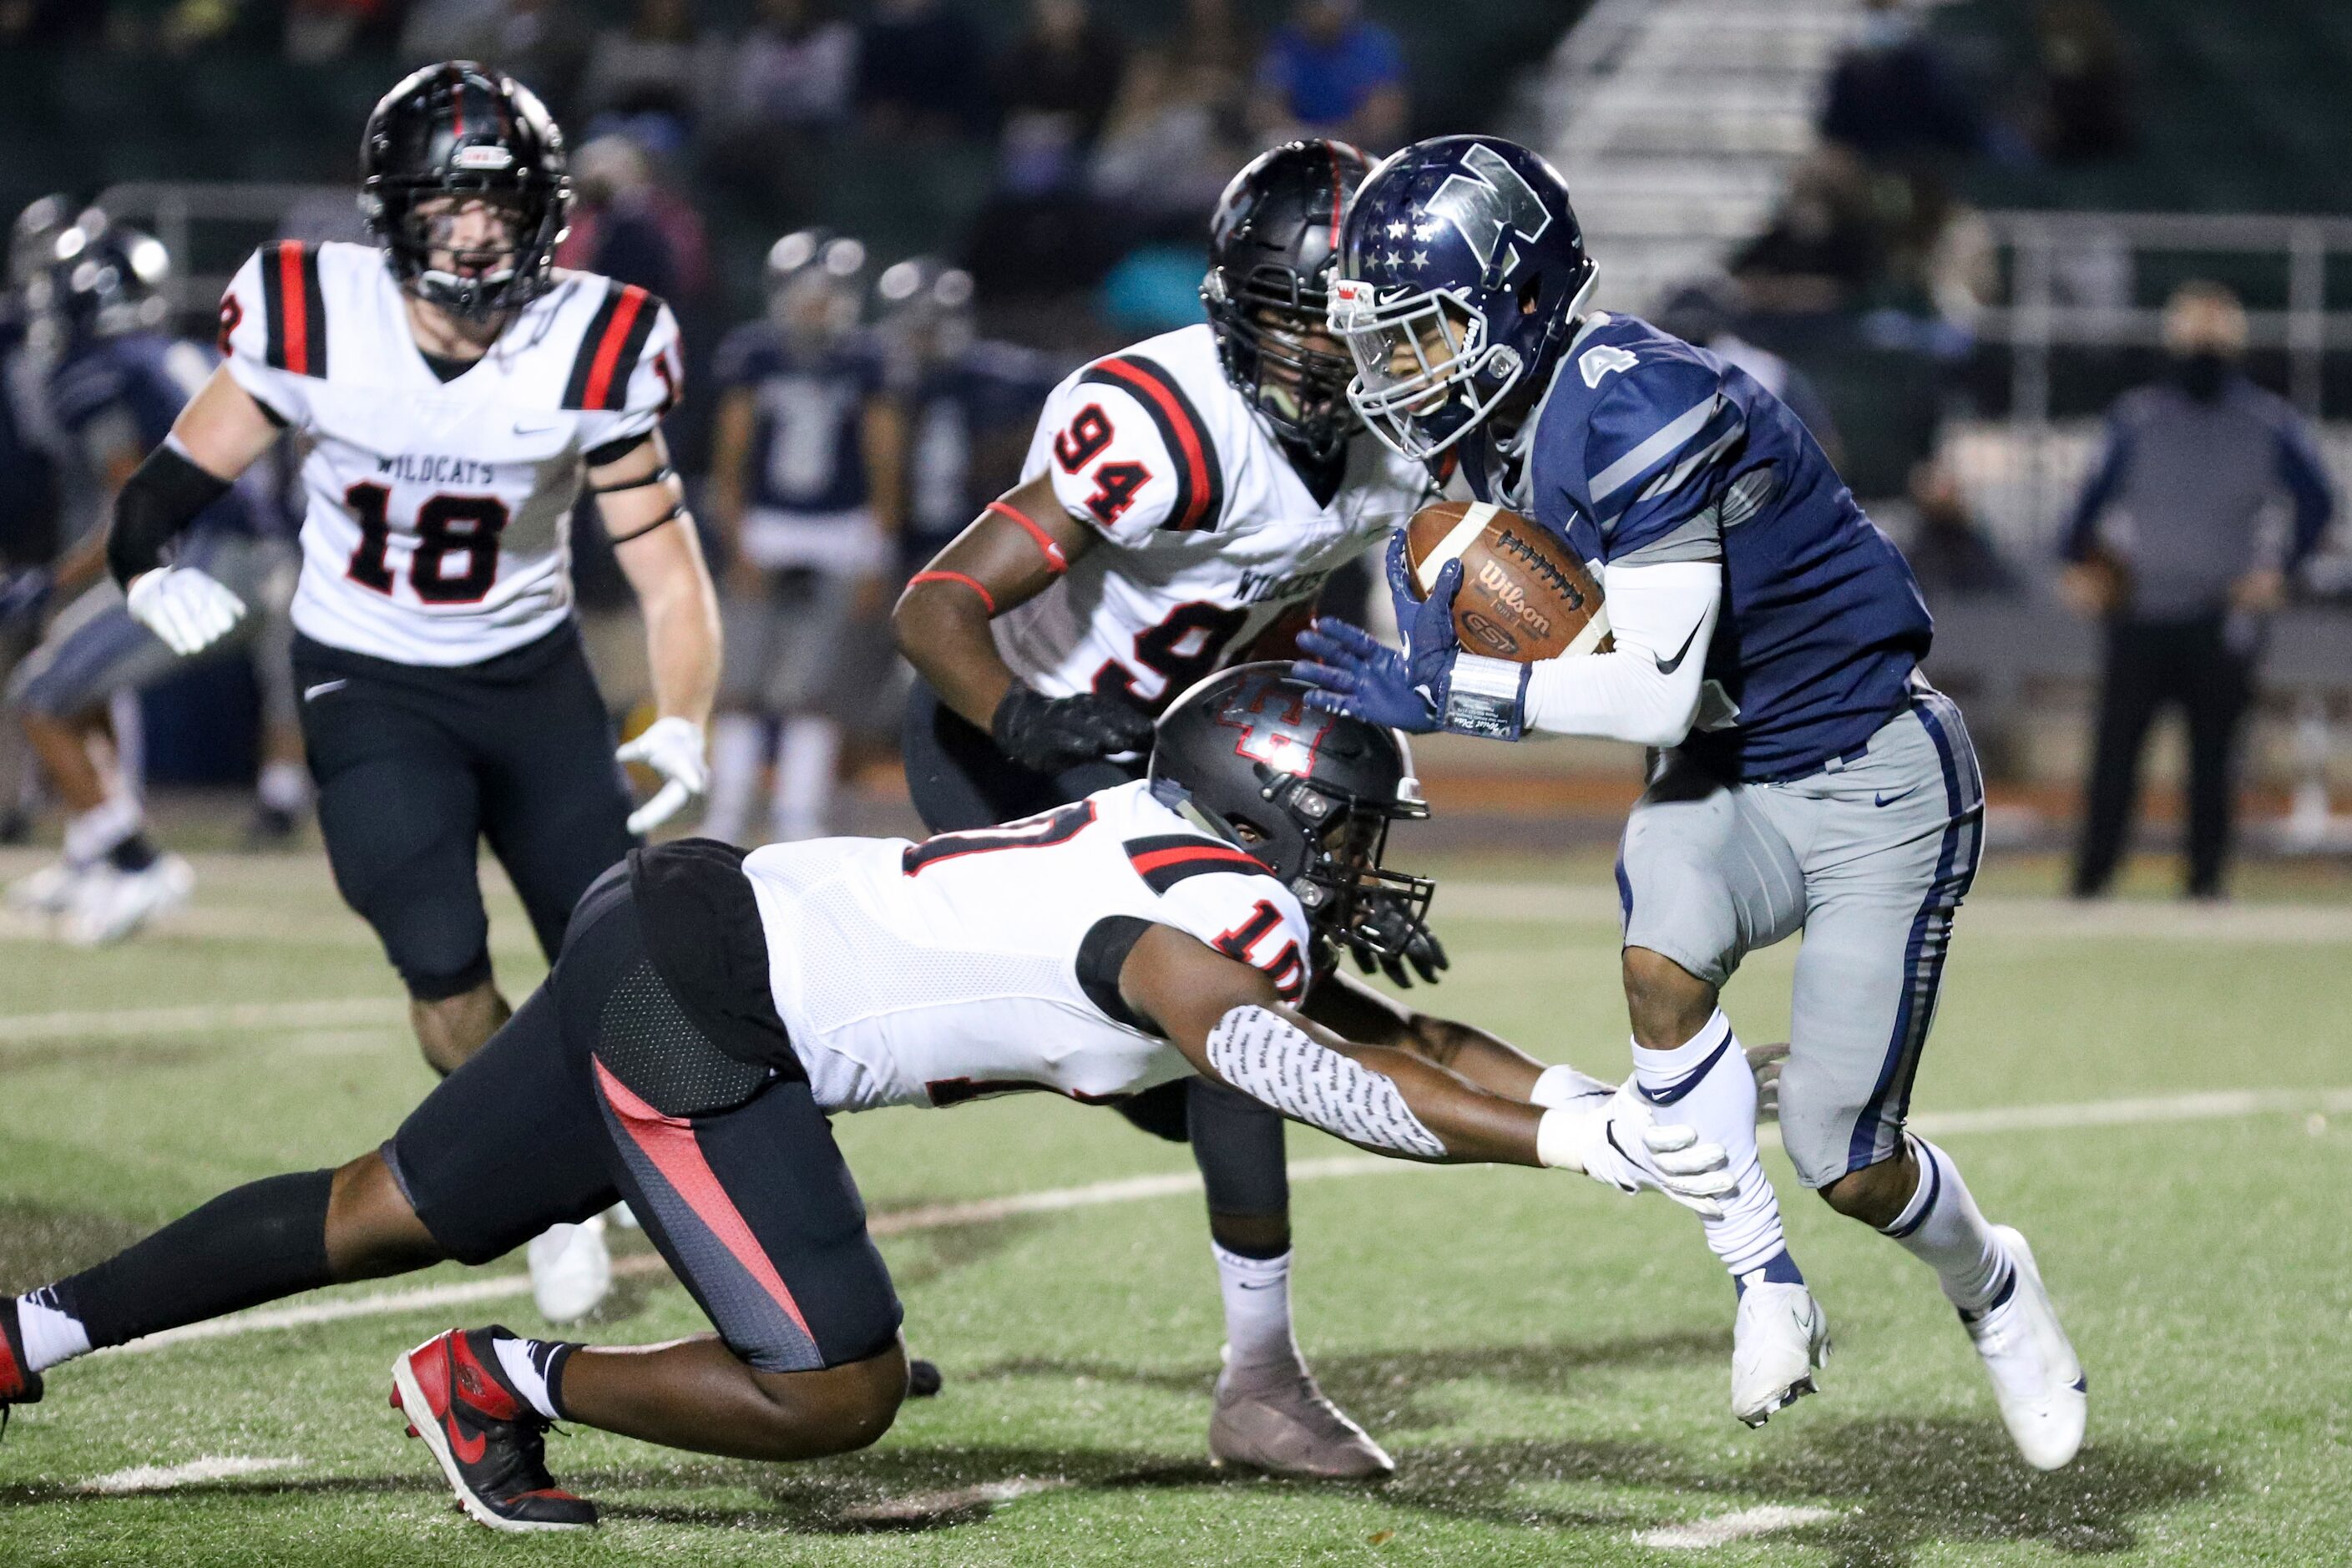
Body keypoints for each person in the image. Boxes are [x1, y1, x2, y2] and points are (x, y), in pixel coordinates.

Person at [0, 665, 1738, 1532]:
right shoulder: (1220, 915)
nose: (1361, 871)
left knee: (379, 1202)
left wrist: (1603, 1106)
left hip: (685, 914)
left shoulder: (1167, 843)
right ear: (1272, 815)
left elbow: (1406, 1046)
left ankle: (25, 1337)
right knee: (831, 1388)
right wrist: (1584, 1145)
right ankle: (491, 1378)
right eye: (1351, 831)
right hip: (712, 1007)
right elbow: (1289, 1058)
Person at [1297, 134, 2087, 1469]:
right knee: (1659, 974)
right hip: (1726, 773)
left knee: (1851, 1158)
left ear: (1521, 300)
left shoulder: (1634, 400)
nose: (1401, 378)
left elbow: (1650, 690)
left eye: (1425, 338)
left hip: (1867, 767)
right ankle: (1763, 1282)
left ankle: (1993, 1281)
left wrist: (1459, 695)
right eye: (1388, 347)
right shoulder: (1496, 436)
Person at [90, 63, 722, 1318]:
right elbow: (166, 488)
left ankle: (626, 1176)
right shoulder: (311, 315)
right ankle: (542, 1182)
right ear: (393, 213)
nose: (479, 231)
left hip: (531, 677)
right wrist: (139, 566)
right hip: (369, 678)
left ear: (546, 213)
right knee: (442, 965)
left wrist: (685, 717)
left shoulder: (592, 341)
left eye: (502, 204)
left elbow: (669, 575)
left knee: (625, 959)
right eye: (449, 205)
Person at [893, 141, 1438, 1479]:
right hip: (1010, 738)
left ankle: (1256, 1373)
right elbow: (935, 607)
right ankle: (1262, 1383)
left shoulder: (1401, 438)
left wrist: (1329, 833)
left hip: (1169, 762)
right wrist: (1026, 722)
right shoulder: (1162, 420)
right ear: (1230, 304)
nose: (1322, 356)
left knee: (1204, 1053)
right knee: (1224, 1031)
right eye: (1295, 319)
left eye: (1347, 324)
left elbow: (1289, 603)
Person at [1, 220, 299, 943]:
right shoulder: (189, 352)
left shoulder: (102, 369)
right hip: (270, 559)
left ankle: (134, 863)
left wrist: (53, 581)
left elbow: (129, 505)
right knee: (72, 673)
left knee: (37, 695)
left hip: (209, 562)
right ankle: (92, 849)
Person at [2060, 282, 2333, 900]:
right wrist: (2078, 565)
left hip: (2221, 614)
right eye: (2194, 332)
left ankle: (2204, 882)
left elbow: (2318, 501)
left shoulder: (2266, 421)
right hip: (2140, 610)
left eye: (2215, 334)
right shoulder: (2137, 418)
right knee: (2114, 755)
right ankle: (2091, 879)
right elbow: (2084, 509)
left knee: (2213, 760)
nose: (2204, 346)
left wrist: (2279, 570)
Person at [703, 230, 904, 845]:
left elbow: (885, 457)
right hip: (768, 522)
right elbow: (730, 455)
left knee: (818, 685)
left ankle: (798, 813)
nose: (815, 305)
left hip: (842, 528)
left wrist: (876, 547)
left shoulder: (867, 357)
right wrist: (737, 537)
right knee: (739, 678)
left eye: (827, 293)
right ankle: (729, 810)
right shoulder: (754, 353)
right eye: (805, 292)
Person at [871, 256, 1060, 584]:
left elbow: (1055, 389)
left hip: (973, 526)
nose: (926, 337)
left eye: (935, 325)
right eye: (917, 326)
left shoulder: (998, 379)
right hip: (885, 534)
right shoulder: (870, 374)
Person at [1250, 0, 1406, 153]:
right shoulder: (1285, 44)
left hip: (1356, 151)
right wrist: (1309, 137)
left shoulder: (1374, 46)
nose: (1319, 13)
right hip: (1299, 146)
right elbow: (1263, 111)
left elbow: (1383, 121)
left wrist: (1334, 140)